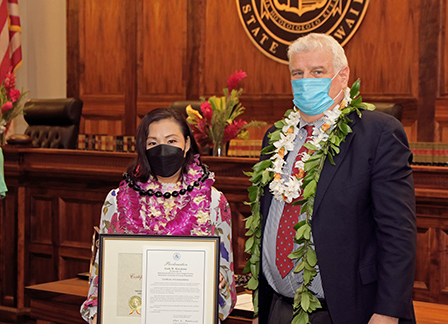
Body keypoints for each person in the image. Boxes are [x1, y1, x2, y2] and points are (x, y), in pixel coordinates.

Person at [254, 33, 417, 323]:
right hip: (278, 309)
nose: (306, 80)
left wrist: (388, 312)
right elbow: (265, 224)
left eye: (317, 72)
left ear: (343, 76)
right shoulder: (275, 137)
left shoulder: (378, 134)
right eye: (298, 73)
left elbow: (398, 234)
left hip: (345, 312)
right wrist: (260, 308)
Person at [80, 107, 237, 323]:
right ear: (143, 147)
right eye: (153, 143)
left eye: (171, 141)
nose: (162, 149)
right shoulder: (117, 200)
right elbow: (102, 273)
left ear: (187, 144)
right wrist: (101, 311)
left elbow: (226, 281)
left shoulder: (214, 201)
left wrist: (217, 281)